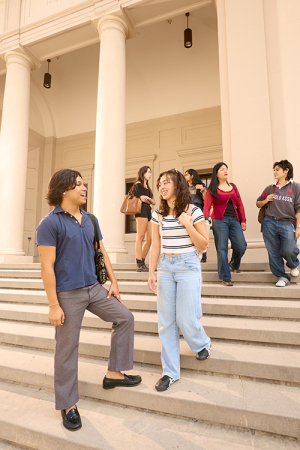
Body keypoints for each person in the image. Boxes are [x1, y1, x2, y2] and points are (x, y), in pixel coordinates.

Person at [36, 169, 141, 431]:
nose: (84, 189)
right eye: (78, 185)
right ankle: (68, 404)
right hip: (68, 295)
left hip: (94, 288)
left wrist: (114, 282)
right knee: (67, 350)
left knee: (125, 318)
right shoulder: (49, 224)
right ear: (63, 190)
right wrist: (53, 304)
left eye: (84, 184)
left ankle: (114, 373)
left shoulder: (90, 219)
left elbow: (101, 251)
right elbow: (47, 267)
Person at [147, 169, 211, 392]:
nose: (162, 187)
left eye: (166, 182)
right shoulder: (158, 214)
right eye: (160, 183)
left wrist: (187, 223)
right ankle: (170, 372)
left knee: (185, 317)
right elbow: (155, 245)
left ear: (177, 185)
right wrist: (151, 271)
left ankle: (201, 342)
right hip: (166, 266)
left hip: (188, 266)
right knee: (166, 321)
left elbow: (203, 244)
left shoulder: (193, 211)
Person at [256, 160, 300, 287]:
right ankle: (282, 276)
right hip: (269, 222)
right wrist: (266, 200)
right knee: (273, 251)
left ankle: (293, 264)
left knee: (289, 249)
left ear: (286, 171)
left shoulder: (296, 187)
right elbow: (258, 203)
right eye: (274, 170)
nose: (274, 172)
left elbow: (299, 207)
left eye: (277, 169)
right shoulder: (270, 188)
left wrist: (298, 227)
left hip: (287, 223)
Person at [203, 162, 247, 286]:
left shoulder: (233, 186)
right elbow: (206, 208)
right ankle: (225, 277)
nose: (225, 171)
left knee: (241, 246)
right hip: (219, 220)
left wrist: (243, 220)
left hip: (234, 220)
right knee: (222, 249)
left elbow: (240, 204)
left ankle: (233, 264)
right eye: (222, 169)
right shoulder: (212, 189)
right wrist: (204, 222)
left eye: (226, 169)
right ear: (216, 173)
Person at [132, 166, 156, 272]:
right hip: (141, 211)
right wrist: (148, 200)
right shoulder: (138, 184)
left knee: (149, 239)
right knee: (140, 237)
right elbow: (141, 198)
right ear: (143, 173)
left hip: (148, 211)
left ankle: (142, 261)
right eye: (148, 172)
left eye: (150, 172)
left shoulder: (148, 188)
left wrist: (148, 200)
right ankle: (139, 263)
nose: (150, 174)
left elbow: (153, 202)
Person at [185, 169, 209, 262]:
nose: (185, 176)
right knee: (190, 232)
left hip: (198, 208)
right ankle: (193, 254)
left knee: (201, 232)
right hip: (187, 210)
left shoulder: (200, 186)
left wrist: (202, 189)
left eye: (187, 174)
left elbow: (206, 200)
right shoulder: (185, 188)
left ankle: (203, 255)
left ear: (192, 176)